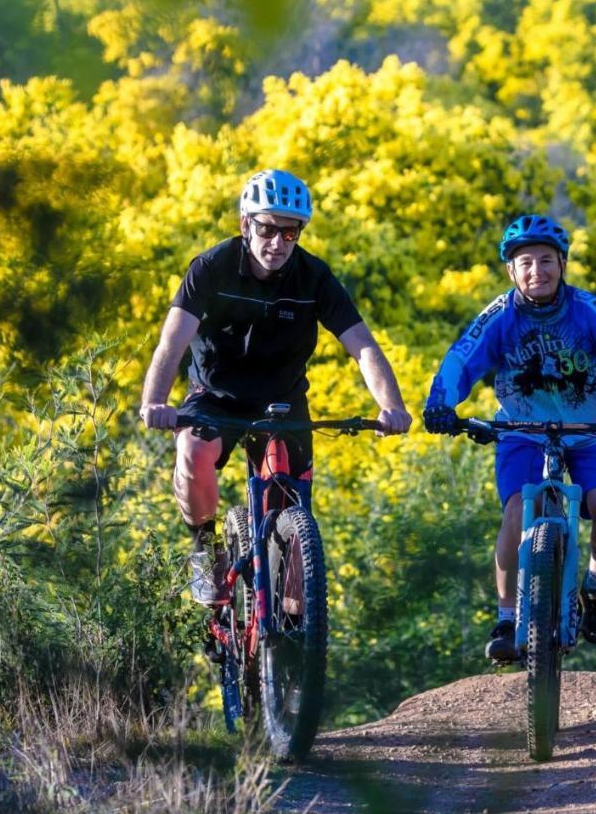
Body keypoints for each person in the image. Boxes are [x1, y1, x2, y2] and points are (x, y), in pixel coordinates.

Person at [140, 169, 412, 607]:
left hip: (282, 402)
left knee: (295, 535)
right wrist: (154, 401)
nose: (278, 243)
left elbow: (362, 347)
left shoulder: (314, 278)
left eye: (291, 233)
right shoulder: (211, 268)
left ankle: (291, 645)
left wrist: (391, 406)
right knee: (192, 453)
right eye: (268, 228)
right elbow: (171, 343)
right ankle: (204, 547)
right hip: (216, 396)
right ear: (246, 223)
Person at [422, 214, 596, 662]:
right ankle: (507, 617)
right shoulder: (499, 315)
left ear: (563, 264)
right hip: (522, 432)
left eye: (546, 261)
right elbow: (461, 358)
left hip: (591, 431)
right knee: (514, 514)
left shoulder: (588, 310)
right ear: (511, 270)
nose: (536, 271)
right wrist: (441, 403)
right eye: (525, 262)